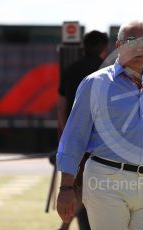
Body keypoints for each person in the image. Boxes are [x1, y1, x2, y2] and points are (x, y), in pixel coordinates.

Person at [56, 20, 143, 230]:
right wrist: (66, 187)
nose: (140, 47)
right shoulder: (95, 83)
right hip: (105, 181)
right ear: (118, 45)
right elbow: (74, 138)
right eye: (133, 41)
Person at [56, 30, 109, 230]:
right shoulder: (107, 71)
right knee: (87, 190)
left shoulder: (70, 69)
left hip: (76, 140)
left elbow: (60, 105)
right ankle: (65, 226)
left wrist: (65, 134)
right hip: (100, 143)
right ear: (104, 49)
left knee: (79, 187)